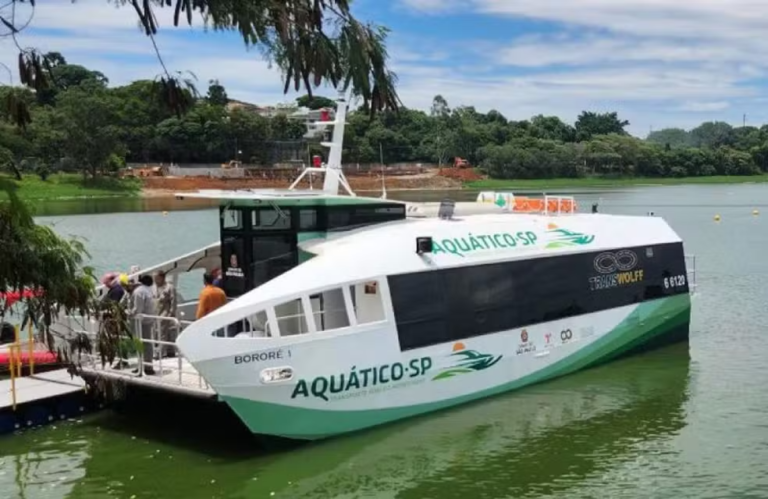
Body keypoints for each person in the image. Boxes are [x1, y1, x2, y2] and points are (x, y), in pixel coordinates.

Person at [129, 274, 157, 375]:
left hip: (140, 322)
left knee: (139, 343)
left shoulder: (138, 292)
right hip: (149, 320)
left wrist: (128, 313)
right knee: (147, 343)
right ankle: (148, 366)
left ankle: (141, 366)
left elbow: (137, 309)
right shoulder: (150, 290)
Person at [153, 270, 178, 358]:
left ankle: (160, 352)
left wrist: (171, 313)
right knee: (162, 333)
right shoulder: (154, 288)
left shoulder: (169, 287)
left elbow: (173, 301)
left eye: (157, 278)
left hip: (165, 312)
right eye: (154, 278)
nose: (155, 280)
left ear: (162, 278)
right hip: (157, 313)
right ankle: (170, 351)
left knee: (162, 333)